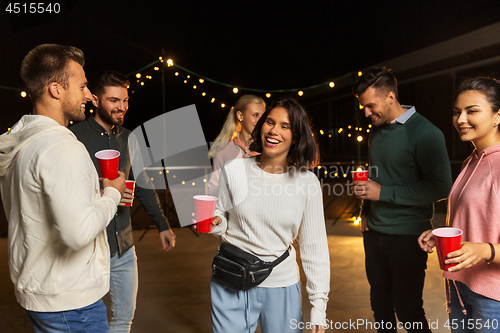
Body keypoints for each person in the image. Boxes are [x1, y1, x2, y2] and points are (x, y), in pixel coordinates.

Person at [0, 44, 126, 332]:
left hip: (42, 292)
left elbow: (40, 198)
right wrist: (112, 194)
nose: (88, 95)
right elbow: (77, 233)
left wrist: (94, 189)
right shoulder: (61, 146)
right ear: (56, 89)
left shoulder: (24, 141)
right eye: (82, 87)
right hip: (70, 303)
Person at [208, 98, 330, 333]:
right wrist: (215, 223)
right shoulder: (234, 170)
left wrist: (319, 306)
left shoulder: (307, 183)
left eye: (285, 126)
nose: (274, 131)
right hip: (231, 280)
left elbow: (315, 248)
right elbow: (220, 214)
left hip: (281, 285)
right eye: (270, 122)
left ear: (297, 136)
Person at [70, 70, 176, 332]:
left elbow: (143, 185)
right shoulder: (74, 137)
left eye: (125, 100)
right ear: (95, 100)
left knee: (123, 319)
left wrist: (162, 224)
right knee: (86, 322)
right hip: (89, 249)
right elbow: (68, 190)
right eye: (113, 100)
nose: (121, 107)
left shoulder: (130, 138)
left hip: (124, 248)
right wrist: (106, 191)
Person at [351, 67, 452, 332]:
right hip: (374, 234)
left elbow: (441, 187)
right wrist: (366, 210)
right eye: (363, 106)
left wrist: (382, 193)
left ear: (391, 97)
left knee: (408, 310)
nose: (366, 113)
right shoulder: (376, 131)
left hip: (408, 237)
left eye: (370, 105)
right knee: (380, 307)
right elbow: (377, 176)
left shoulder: (426, 133)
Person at [419, 77, 500, 332]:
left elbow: (484, 245)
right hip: (460, 286)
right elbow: (476, 216)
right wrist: (441, 233)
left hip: (492, 296)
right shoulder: (472, 160)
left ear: (498, 116)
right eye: (457, 112)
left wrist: (485, 250)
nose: (460, 119)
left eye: (472, 111)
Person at [207, 94, 265, 196]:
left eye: (263, 116)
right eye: (255, 115)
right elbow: (212, 189)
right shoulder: (225, 151)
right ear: (240, 116)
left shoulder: (268, 149)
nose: (261, 121)